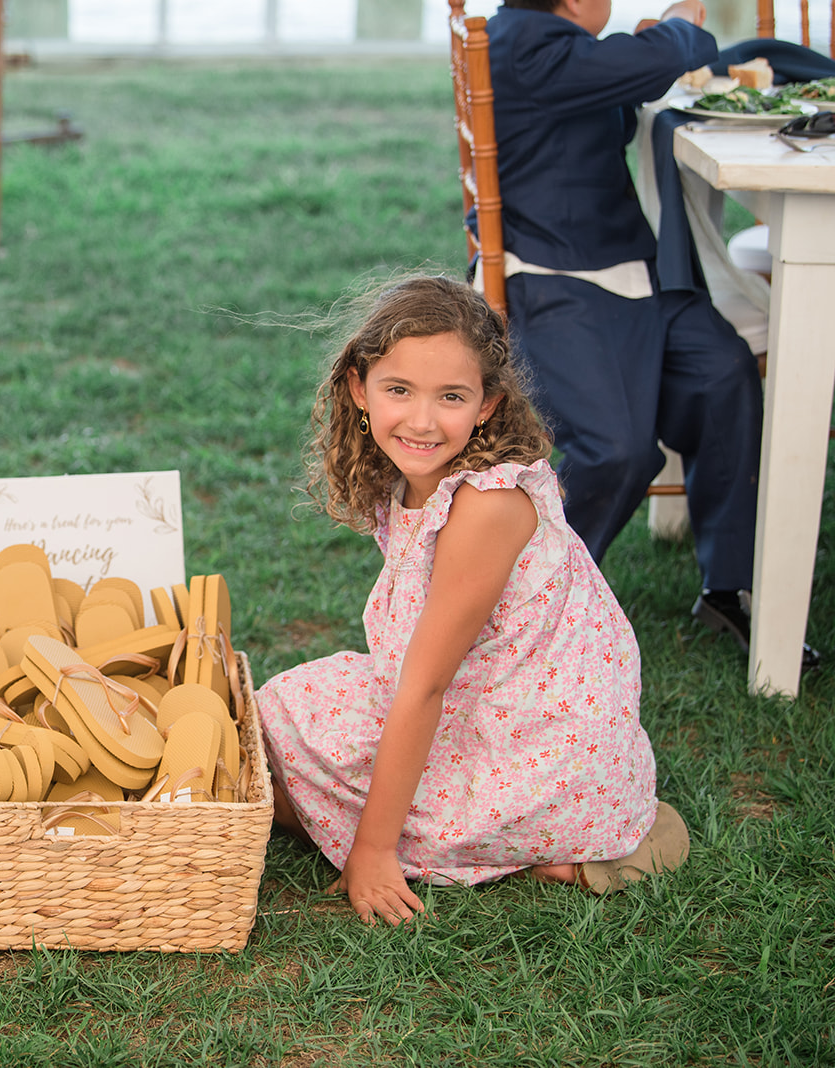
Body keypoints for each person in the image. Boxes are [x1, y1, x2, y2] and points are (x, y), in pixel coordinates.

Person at [257, 276, 689, 927]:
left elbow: (424, 686)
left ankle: (550, 840)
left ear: (487, 404)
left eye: (451, 397)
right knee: (280, 714)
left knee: (288, 754)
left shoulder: (487, 507)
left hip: (536, 735)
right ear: (358, 387)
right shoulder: (413, 478)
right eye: (398, 390)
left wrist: (372, 851)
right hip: (485, 697)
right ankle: (518, 838)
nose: (423, 419)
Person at [483, 0, 800, 664]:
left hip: (625, 267)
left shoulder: (548, 44)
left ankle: (727, 585)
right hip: (557, 278)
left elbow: (614, 99)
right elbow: (666, 56)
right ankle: (527, 603)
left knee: (723, 373)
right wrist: (676, 26)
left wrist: (637, 53)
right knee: (614, 448)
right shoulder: (532, 47)